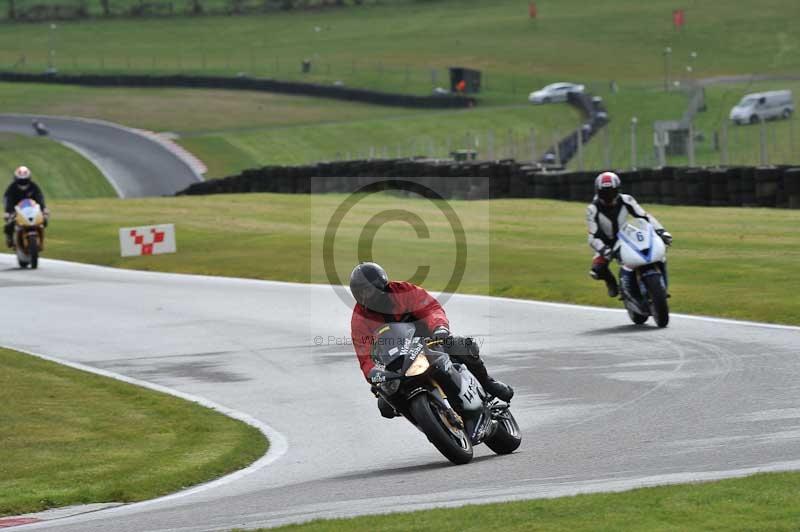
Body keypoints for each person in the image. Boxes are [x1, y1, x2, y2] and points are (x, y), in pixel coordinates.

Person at [349, 262, 514, 419]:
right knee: (385, 405)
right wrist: (374, 375)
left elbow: (430, 308)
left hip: (429, 341)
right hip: (397, 362)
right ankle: (428, 419)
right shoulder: (359, 318)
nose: (365, 296)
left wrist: (439, 327)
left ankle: (487, 384)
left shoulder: (403, 291)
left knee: (463, 345)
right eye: (360, 292)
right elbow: (364, 355)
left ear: (381, 285)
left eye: (368, 290)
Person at [586, 171, 672, 297]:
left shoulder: (626, 200)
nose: (608, 197)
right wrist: (604, 249)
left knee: (652, 253)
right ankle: (611, 282)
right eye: (604, 193)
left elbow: (644, 216)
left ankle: (661, 285)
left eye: (612, 192)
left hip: (626, 236)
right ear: (598, 193)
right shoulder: (592, 209)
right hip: (605, 243)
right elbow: (592, 237)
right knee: (597, 271)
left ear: (618, 190)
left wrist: (661, 231)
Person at [4, 166, 47, 248]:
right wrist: (8, 211)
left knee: (44, 220)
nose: (23, 182)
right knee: (9, 223)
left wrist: (43, 208)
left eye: (25, 180)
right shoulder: (12, 187)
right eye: (21, 180)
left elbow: (40, 197)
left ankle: (41, 239)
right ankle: (10, 238)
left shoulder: (33, 186)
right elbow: (7, 199)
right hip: (16, 210)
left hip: (32, 209)